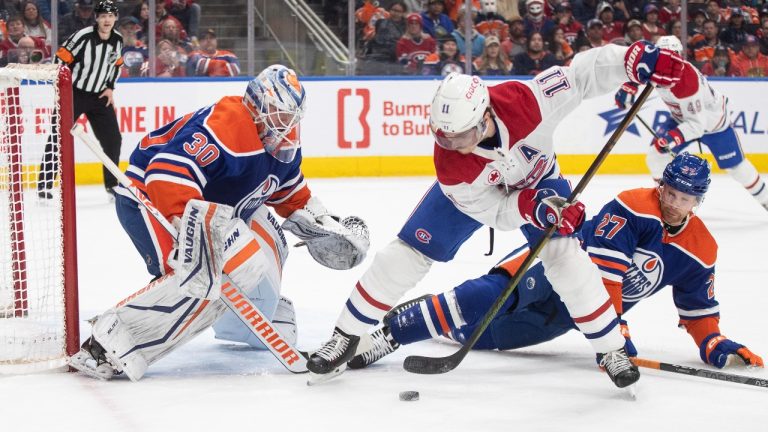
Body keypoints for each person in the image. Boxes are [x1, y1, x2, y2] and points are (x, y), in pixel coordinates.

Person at [308, 40, 687, 389]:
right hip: (483, 199)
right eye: (442, 136)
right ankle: (345, 335)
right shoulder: (452, 167)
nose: (448, 144)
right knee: (404, 256)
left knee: (566, 258)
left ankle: (610, 348)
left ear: (484, 115)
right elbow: (492, 210)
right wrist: (528, 207)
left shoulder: (527, 101)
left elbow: (582, 74)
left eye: (457, 136)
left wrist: (630, 60)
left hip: (540, 182)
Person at [68, 65, 370, 381]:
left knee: (268, 232)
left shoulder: (282, 140)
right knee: (213, 268)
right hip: (149, 201)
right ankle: (112, 342)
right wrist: (197, 236)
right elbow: (164, 174)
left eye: (293, 116)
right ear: (257, 105)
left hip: (209, 210)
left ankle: (247, 322)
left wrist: (320, 222)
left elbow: (287, 193)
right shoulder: (227, 126)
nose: (288, 124)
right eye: (280, 114)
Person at [349, 153, 764, 374]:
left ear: (698, 201)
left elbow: (697, 308)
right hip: (560, 264)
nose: (673, 203)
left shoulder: (701, 248)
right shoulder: (634, 206)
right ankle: (394, 332)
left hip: (574, 317)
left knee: (484, 335)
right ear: (662, 185)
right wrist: (613, 330)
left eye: (684, 198)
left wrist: (712, 342)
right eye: (670, 192)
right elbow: (605, 274)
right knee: (495, 296)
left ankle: (433, 315)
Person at [616, 36, 768, 211]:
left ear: (681, 55)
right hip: (681, 118)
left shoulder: (687, 82)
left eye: (675, 55)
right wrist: (630, 86)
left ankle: (765, 198)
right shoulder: (657, 64)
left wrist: (672, 139)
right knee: (656, 156)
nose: (670, 60)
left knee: (736, 167)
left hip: (713, 124)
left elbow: (697, 125)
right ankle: (665, 202)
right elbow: (639, 65)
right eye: (665, 55)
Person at [37, 0, 123, 199]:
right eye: (103, 16)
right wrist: (63, 88)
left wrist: (110, 87)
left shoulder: (117, 40)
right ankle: (44, 185)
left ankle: (112, 185)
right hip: (74, 94)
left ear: (115, 18)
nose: (107, 20)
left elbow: (117, 64)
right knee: (58, 136)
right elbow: (60, 59)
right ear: (97, 18)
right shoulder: (83, 37)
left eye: (110, 16)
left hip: (100, 96)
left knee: (113, 139)